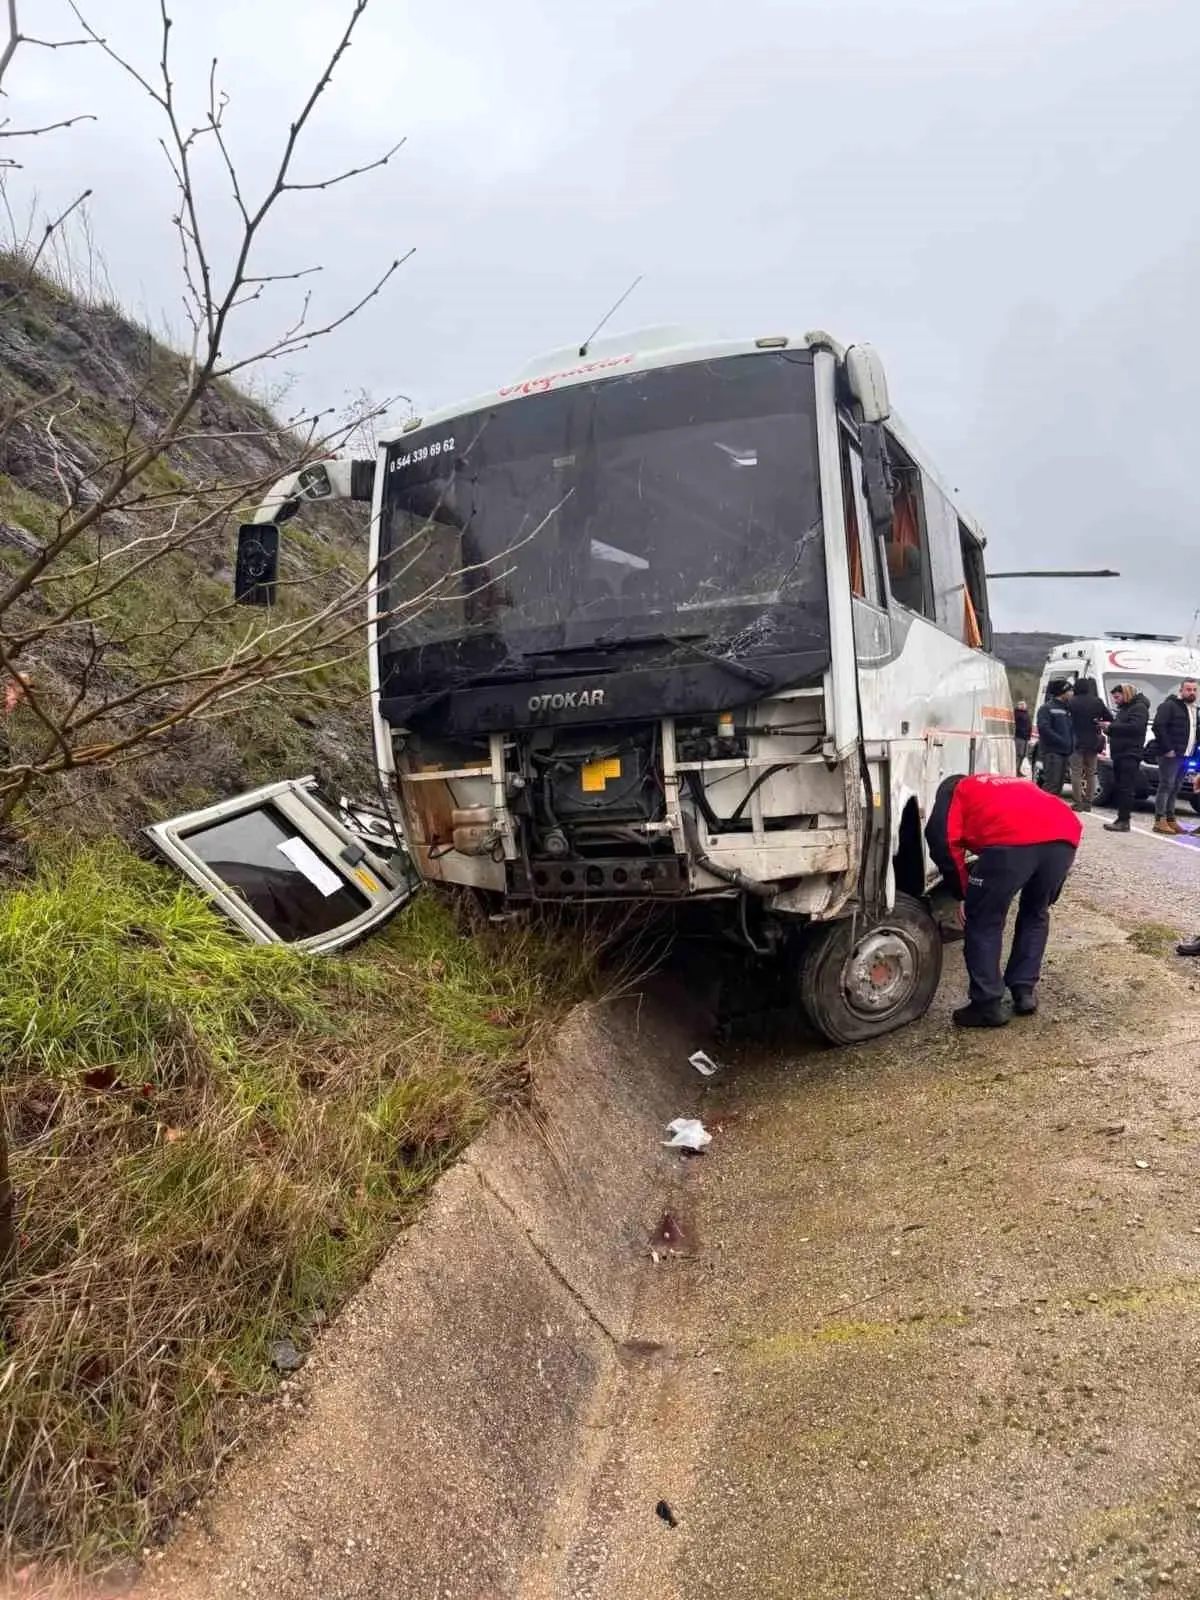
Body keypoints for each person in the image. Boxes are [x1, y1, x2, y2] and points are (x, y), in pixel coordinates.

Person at [925, 771, 1082, 1028]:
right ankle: (1024, 991)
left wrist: (962, 892)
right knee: (1036, 912)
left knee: (984, 920)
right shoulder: (1004, 784)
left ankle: (986, 1005)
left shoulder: (954, 790)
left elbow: (941, 841)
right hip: (1064, 836)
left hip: (1012, 842)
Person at [1150, 677, 1198, 835]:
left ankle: (1170, 819)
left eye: (1194, 690)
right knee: (1166, 786)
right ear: (1181, 691)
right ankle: (1160, 820)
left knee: (1175, 788)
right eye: (1188, 689)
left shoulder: (1193, 709)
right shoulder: (1169, 706)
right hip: (1170, 755)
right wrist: (1168, 748)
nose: (1192, 692)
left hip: (1185, 754)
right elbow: (1158, 727)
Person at [1103, 683, 1150, 833]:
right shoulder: (1125, 709)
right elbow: (1121, 728)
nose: (1115, 700)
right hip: (1120, 752)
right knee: (1121, 786)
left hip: (1129, 753)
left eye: (1117, 697)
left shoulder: (1139, 708)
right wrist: (1107, 729)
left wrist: (1111, 727)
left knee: (1126, 787)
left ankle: (1124, 820)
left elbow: (1135, 727)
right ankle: (1121, 818)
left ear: (1126, 694)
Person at [1066, 676, 1112, 812]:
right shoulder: (1097, 702)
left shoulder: (1072, 702)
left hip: (1076, 741)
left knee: (1076, 773)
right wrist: (1097, 721)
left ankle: (1078, 802)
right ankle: (1088, 803)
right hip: (1093, 741)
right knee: (1091, 773)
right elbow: (1109, 717)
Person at [1035, 679, 1074, 796]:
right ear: (1061, 692)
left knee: (1058, 786)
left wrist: (1072, 743)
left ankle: (1051, 812)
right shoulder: (1046, 708)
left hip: (1065, 752)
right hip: (1053, 753)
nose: (1072, 693)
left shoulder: (1067, 708)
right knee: (1052, 784)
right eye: (1070, 690)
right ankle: (1041, 812)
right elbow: (1044, 729)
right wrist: (1062, 741)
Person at [1013, 700, 1032, 775]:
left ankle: (1018, 770)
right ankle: (1015, 770)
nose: (1023, 705)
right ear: (1018, 705)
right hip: (1019, 736)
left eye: (1024, 704)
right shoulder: (1017, 713)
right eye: (1020, 704)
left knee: (1023, 755)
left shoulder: (1026, 713)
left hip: (1026, 737)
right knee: (1019, 754)